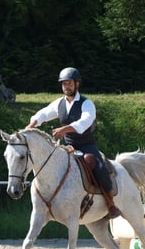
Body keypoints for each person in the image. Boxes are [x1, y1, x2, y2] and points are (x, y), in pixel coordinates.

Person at [27, 67, 120, 218]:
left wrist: (64, 129)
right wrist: (32, 124)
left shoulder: (87, 103)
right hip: (67, 147)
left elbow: (84, 123)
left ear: (77, 84)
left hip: (87, 146)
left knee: (98, 166)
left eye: (69, 83)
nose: (66, 87)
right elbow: (44, 113)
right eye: (64, 84)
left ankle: (111, 204)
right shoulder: (59, 103)